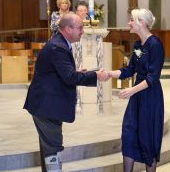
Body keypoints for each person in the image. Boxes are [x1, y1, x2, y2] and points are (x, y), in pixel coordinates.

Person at [24, 13, 109, 172]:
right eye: (80, 27)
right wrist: (96, 75)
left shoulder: (60, 43)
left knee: (49, 146)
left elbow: (61, 73)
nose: (83, 31)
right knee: (53, 146)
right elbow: (70, 78)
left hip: (46, 104)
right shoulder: (58, 47)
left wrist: (79, 72)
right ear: (68, 29)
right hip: (46, 106)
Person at [108, 8, 164, 172]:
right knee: (129, 134)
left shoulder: (155, 45)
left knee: (148, 138)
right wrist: (110, 73)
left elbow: (152, 78)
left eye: (132, 19)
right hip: (137, 96)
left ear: (142, 23)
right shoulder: (139, 45)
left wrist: (131, 91)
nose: (129, 23)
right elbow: (130, 69)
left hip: (149, 97)